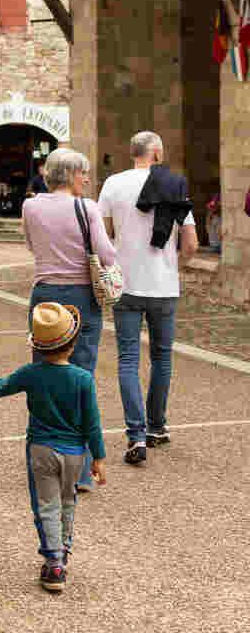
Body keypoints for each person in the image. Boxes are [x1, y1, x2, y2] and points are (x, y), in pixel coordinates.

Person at [0, 302, 106, 594]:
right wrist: (99, 457)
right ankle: (63, 549)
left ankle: (53, 562)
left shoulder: (31, 373)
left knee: (46, 505)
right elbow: (93, 422)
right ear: (74, 342)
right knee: (67, 501)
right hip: (75, 453)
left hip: (41, 449)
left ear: (38, 346)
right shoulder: (83, 379)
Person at [98, 131, 197, 466]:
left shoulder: (113, 183)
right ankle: (156, 427)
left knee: (127, 359)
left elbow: (105, 235)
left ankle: (136, 434)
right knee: (162, 358)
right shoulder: (175, 184)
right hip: (164, 284)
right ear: (154, 153)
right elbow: (192, 243)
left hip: (126, 283)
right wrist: (174, 262)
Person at [22, 146, 115, 493]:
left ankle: (42, 466)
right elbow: (107, 254)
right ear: (73, 175)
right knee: (80, 380)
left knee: (43, 378)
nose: (88, 180)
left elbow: (31, 245)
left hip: (44, 295)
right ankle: (80, 472)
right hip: (81, 299)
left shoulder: (30, 205)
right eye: (84, 174)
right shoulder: (86, 207)